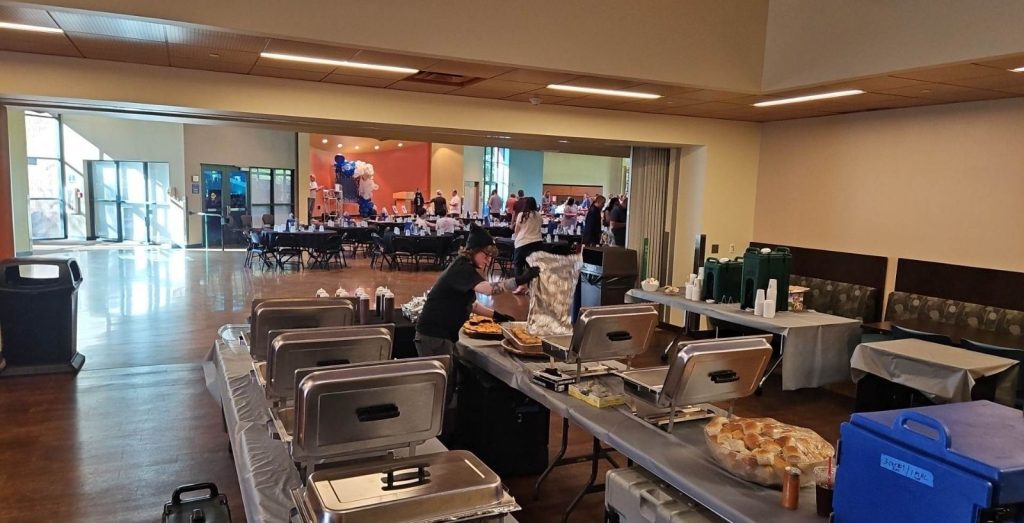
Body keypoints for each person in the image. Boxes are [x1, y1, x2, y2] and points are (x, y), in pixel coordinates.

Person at [415, 225, 540, 358]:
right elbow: (489, 290)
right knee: (443, 377)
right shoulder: (462, 268)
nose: (488, 261)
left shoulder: (464, 266)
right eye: (486, 255)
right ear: (473, 250)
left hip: (440, 335)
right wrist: (520, 280)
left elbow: (471, 304)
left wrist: (496, 315)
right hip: (433, 336)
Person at [512, 197, 543, 294]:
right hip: (537, 243)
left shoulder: (522, 215)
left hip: (522, 243)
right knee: (532, 267)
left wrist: (517, 237)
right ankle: (531, 288)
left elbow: (517, 229)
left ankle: (521, 285)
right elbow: (540, 227)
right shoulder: (538, 216)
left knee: (518, 265)